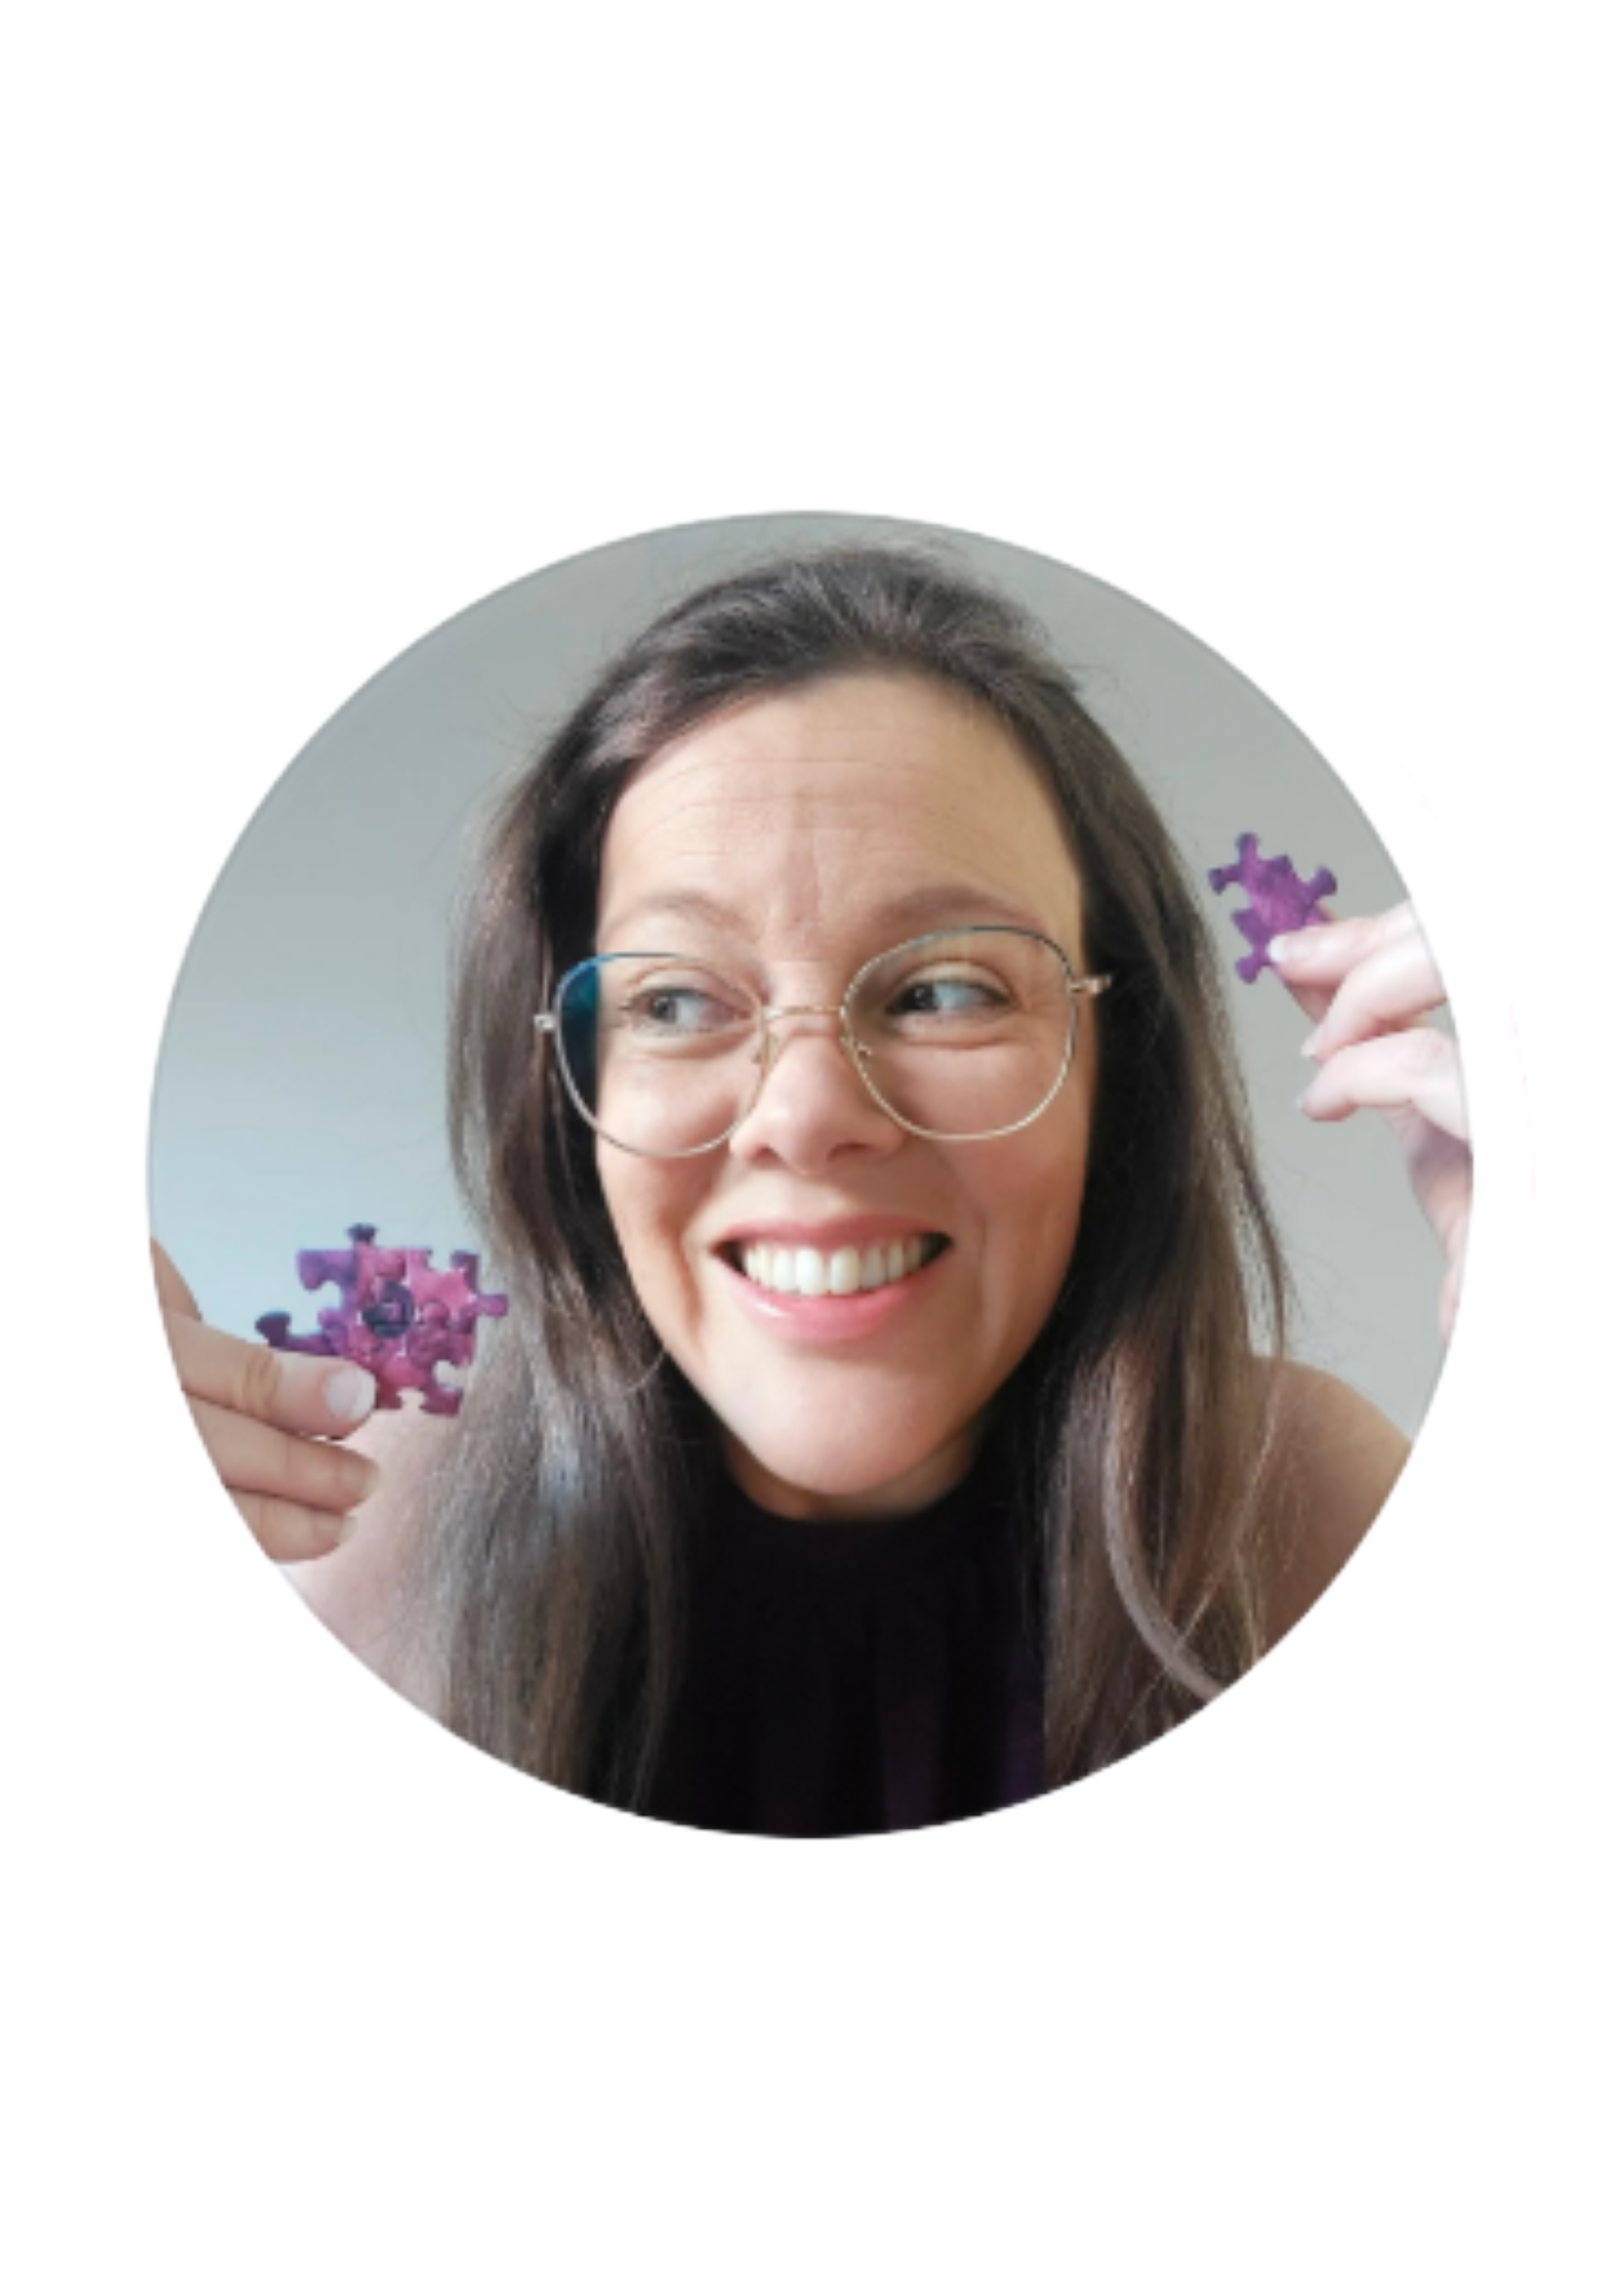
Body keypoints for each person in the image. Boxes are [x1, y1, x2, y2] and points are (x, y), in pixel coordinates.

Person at [151, 546, 1472, 1833]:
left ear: (1111, 1066)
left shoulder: (1303, 1513)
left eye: (944, 990)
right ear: (568, 1092)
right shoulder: (362, 1543)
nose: (804, 1116)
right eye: (676, 1001)